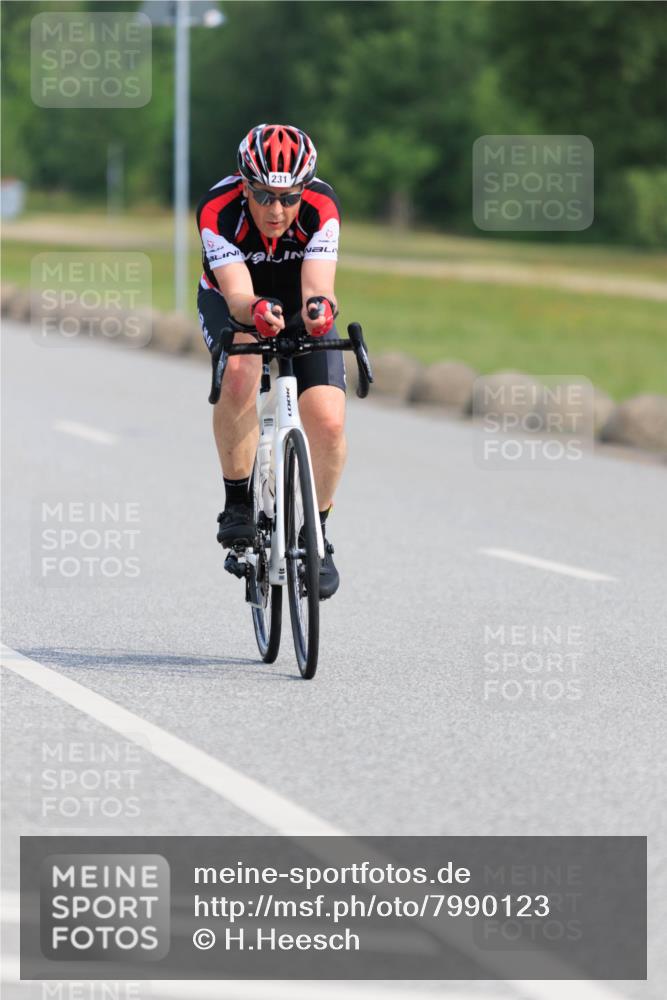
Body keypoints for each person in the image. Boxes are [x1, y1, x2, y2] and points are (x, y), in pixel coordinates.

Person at [196, 124, 346, 599]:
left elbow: (318, 285)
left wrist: (320, 311)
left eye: (288, 197)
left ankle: (316, 536)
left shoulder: (323, 207)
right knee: (241, 372)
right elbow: (238, 293)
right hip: (235, 298)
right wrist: (255, 311)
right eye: (262, 196)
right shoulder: (217, 211)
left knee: (327, 418)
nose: (276, 210)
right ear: (244, 185)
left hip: (296, 301)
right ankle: (237, 501)